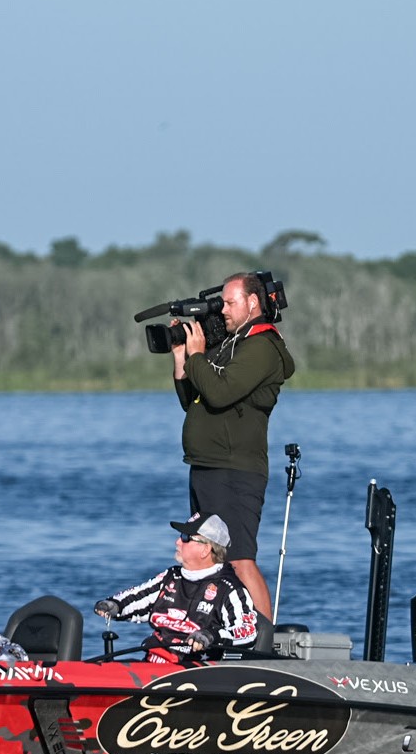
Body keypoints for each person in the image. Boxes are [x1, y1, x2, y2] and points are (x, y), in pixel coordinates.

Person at [170, 271, 296, 619]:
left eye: (229, 302)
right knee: (210, 559)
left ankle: (263, 643)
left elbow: (221, 391)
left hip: (235, 470)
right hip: (207, 465)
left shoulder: (262, 347)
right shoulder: (230, 344)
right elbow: (193, 398)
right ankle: (224, 635)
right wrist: (182, 356)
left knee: (239, 559)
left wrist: (197, 357)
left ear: (252, 302)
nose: (222, 310)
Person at [93, 514, 260, 661]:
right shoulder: (171, 577)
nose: (178, 541)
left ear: (205, 549)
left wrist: (212, 636)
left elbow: (248, 632)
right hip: (154, 663)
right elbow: (137, 598)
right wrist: (114, 605)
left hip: (197, 671)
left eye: (186, 537)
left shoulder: (230, 589)